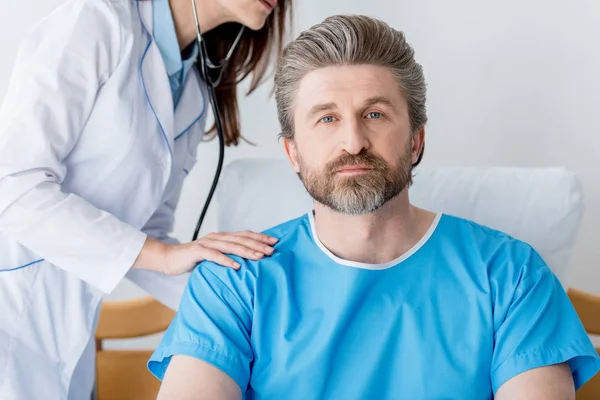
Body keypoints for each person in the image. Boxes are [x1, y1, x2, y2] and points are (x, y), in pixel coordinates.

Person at [147, 14, 600, 400]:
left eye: (375, 114)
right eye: (327, 118)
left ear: (416, 140)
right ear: (292, 154)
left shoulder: (511, 275)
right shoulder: (232, 280)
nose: (353, 142)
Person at [0, 0, 293, 398]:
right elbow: (14, 186)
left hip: (67, 341)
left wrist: (243, 303)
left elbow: (146, 232)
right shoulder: (96, 21)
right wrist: (163, 255)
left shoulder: (191, 87)